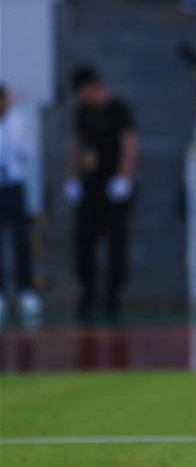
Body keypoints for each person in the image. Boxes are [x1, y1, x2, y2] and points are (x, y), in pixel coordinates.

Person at [66, 66, 137, 320]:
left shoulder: (118, 109)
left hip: (113, 186)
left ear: (91, 87)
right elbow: (77, 144)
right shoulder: (82, 112)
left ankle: (112, 297)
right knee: (84, 240)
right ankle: (88, 294)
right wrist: (73, 179)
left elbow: (128, 143)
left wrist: (124, 178)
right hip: (90, 186)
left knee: (116, 243)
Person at [0, 84, 42, 320]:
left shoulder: (18, 121)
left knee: (21, 240)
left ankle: (26, 290)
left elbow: (27, 152)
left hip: (15, 186)